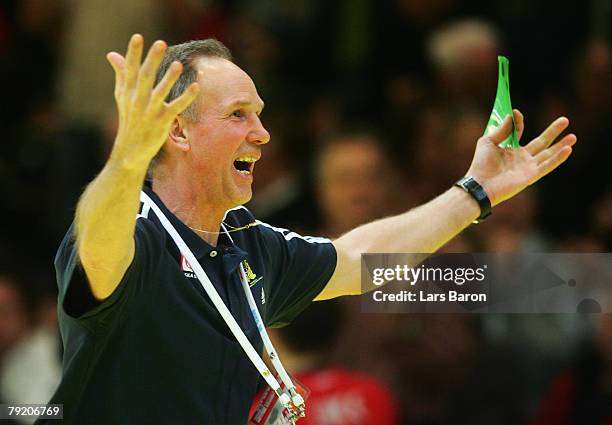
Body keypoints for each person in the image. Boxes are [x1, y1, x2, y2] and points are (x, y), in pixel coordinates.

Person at [39, 34, 576, 425]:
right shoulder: (133, 232)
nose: (263, 133)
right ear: (177, 130)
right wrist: (126, 162)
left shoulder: (247, 246)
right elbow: (100, 245)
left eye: (261, 114)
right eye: (239, 115)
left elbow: (358, 258)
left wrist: (476, 192)